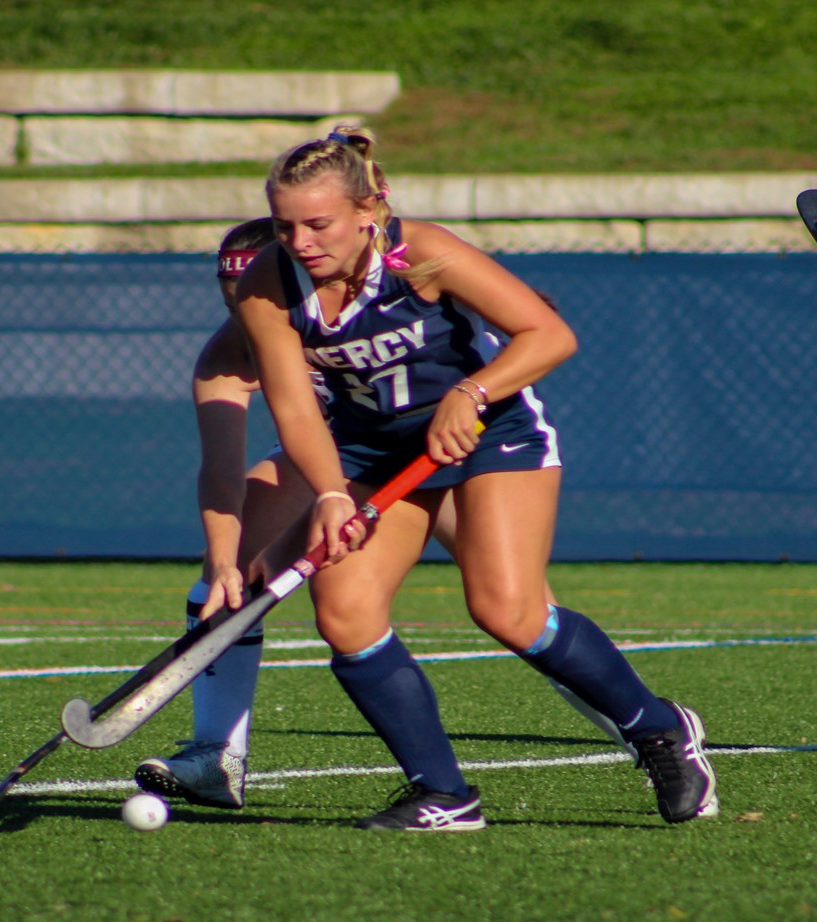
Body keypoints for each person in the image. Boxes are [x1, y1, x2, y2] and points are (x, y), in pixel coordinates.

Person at [230, 126, 718, 830]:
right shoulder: (267, 285)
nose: (301, 242)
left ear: (369, 209)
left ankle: (659, 729)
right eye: (285, 225)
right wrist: (332, 493)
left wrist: (471, 394)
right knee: (344, 614)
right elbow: (294, 407)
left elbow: (548, 333)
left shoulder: (420, 252)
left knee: (506, 609)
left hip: (492, 437)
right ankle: (443, 793)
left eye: (318, 223)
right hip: (373, 455)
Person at [136, 220, 631, 811]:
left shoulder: (349, 302)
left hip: (426, 449)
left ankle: (642, 730)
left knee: (519, 611)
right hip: (333, 460)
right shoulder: (232, 350)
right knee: (239, 560)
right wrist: (221, 561)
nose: (242, 306)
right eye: (229, 294)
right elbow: (221, 470)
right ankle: (217, 755)